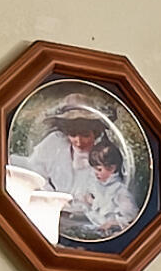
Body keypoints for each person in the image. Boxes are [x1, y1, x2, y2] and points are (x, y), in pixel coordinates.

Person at [16, 99, 140, 241]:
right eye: (73, 135)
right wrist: (53, 200)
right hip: (50, 211)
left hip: (86, 220)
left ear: (96, 132)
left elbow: (112, 197)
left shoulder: (103, 156)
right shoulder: (54, 143)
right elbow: (36, 172)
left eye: (85, 135)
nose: (79, 142)